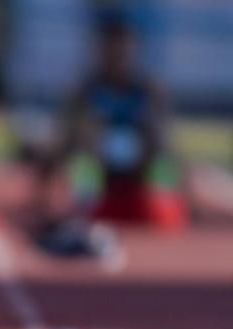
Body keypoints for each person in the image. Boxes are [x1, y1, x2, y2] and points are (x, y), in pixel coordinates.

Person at [31, 11, 187, 259]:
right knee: (83, 136)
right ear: (99, 50)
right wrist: (42, 197)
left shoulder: (149, 91)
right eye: (111, 47)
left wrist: (184, 192)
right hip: (97, 194)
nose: (118, 55)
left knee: (165, 213)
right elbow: (62, 144)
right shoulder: (85, 91)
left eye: (124, 47)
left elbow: (167, 146)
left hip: (139, 192)